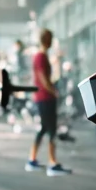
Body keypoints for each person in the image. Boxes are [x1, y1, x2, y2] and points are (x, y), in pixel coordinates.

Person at [25, 29, 72, 175]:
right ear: (46, 39)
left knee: (45, 128)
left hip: (44, 97)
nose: (52, 41)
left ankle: (32, 160)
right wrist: (53, 92)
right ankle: (52, 163)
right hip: (45, 97)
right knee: (51, 129)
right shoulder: (40, 56)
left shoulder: (42, 56)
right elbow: (43, 78)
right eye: (50, 38)